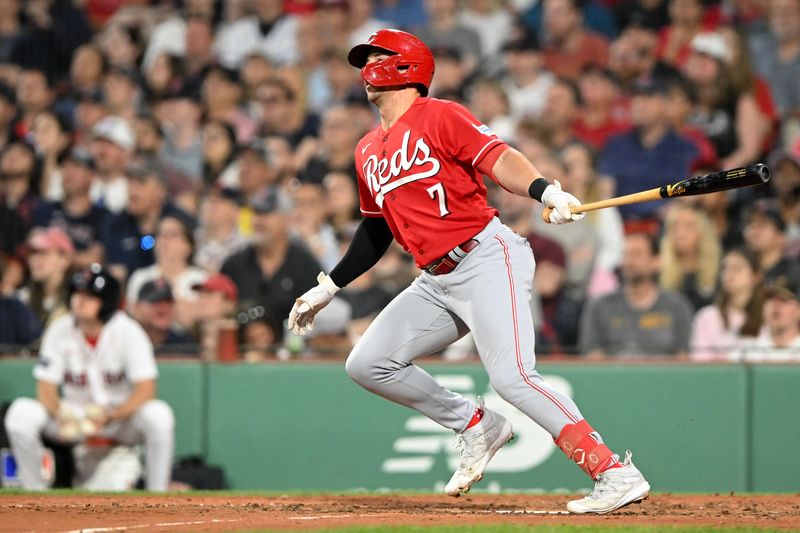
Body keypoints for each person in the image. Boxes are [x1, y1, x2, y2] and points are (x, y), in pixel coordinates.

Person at [287, 29, 650, 514]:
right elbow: (376, 231)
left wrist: (545, 191)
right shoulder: (367, 149)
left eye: (376, 56)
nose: (367, 67)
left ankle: (613, 472)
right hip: (436, 279)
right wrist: (328, 285)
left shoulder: (441, 114)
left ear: (405, 66)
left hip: (484, 256)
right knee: (367, 363)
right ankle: (477, 425)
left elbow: (499, 158)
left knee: (513, 377)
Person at [3, 264, 174, 491]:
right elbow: (46, 386)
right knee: (20, 414)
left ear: (106, 302)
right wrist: (59, 413)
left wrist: (114, 415)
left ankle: (158, 494)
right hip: (73, 416)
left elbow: (146, 389)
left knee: (159, 415)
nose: (79, 300)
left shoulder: (127, 331)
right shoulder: (60, 329)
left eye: (89, 296)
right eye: (77, 293)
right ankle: (34, 491)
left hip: (118, 419)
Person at [579, 231, 694, 357]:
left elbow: (683, 357)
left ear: (656, 261)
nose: (629, 261)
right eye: (626, 254)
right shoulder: (600, 306)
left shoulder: (677, 307)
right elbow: (593, 357)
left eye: (637, 254)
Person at [690, 248, 765, 361]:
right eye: (725, 269)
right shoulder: (707, 316)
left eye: (737, 269)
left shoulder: (768, 314)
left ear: (755, 277)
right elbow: (700, 362)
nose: (729, 274)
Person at [737, 284, 800, 362]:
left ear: (798, 310)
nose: (775, 305)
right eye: (770, 299)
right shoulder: (746, 351)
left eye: (783, 300)